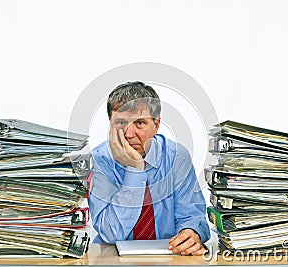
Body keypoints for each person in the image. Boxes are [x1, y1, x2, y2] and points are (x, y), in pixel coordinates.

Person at [88, 81, 210, 256]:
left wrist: (191, 232)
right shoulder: (100, 160)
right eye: (121, 122)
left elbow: (192, 216)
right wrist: (135, 170)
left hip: (170, 258)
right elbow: (110, 233)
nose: (129, 134)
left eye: (139, 123)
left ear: (156, 125)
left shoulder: (177, 157)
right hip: (112, 258)